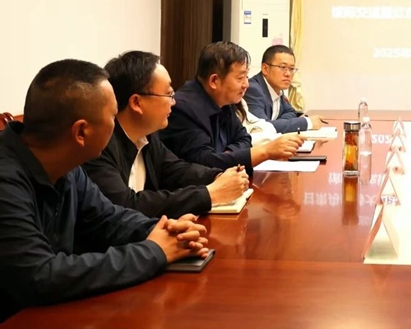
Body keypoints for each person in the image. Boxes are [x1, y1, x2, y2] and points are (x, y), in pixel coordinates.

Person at [0, 59, 208, 322]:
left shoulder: (66, 165)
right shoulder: (6, 179)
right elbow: (39, 275)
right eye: (112, 116)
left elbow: (107, 218)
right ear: (81, 132)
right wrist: (154, 251)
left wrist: (162, 230)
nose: (117, 123)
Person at [83, 51, 251, 218]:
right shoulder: (99, 145)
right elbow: (125, 205)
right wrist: (209, 194)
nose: (174, 101)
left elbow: (176, 170)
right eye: (168, 94)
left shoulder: (147, 136)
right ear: (136, 102)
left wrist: (216, 176)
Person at [160, 42, 303, 174]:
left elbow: (244, 138)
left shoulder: (224, 100)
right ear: (214, 81)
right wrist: (265, 151)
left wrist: (226, 156)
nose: (246, 84)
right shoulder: (184, 108)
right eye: (240, 78)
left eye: (246, 77)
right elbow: (204, 163)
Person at [243, 45, 325, 133]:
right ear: (265, 68)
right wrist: (307, 123)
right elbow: (262, 128)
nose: (288, 74)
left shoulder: (277, 88)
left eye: (291, 69)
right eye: (282, 67)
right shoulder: (252, 89)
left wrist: (280, 123)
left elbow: (291, 112)